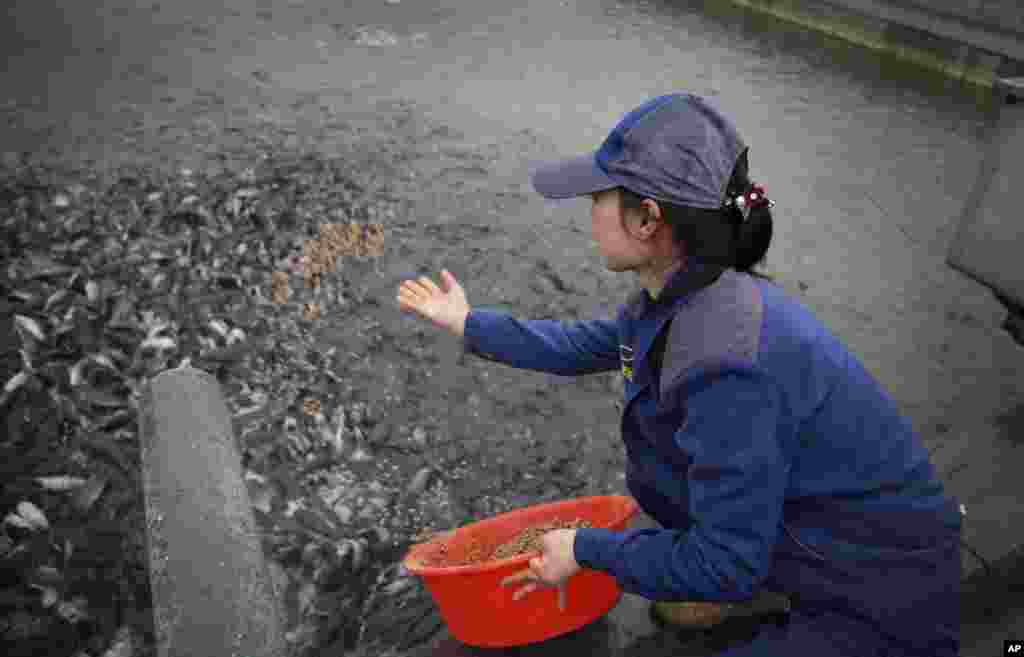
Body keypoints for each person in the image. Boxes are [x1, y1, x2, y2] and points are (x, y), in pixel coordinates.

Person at [396, 93, 961, 656]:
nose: (589, 209)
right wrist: (469, 323)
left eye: (599, 194)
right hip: (812, 548)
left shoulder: (727, 365)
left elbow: (727, 563)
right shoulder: (687, 292)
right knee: (673, 591)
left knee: (695, 579)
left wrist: (584, 550)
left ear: (648, 219)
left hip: (880, 602)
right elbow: (586, 345)